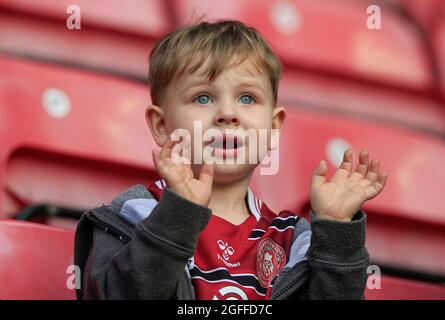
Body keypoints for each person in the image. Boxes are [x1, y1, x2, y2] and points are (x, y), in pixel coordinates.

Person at [74, 19, 387, 300]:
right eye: (203, 97)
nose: (227, 114)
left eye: (247, 98)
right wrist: (177, 216)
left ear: (273, 128)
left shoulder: (294, 240)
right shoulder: (134, 213)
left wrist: (335, 234)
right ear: (161, 125)